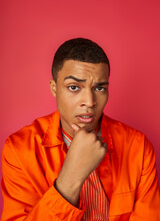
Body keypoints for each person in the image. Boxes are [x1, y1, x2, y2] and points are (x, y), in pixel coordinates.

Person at [1, 38, 160, 221]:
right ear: (54, 88)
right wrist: (71, 177)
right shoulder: (19, 149)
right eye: (74, 87)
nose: (90, 102)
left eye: (99, 88)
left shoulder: (138, 147)